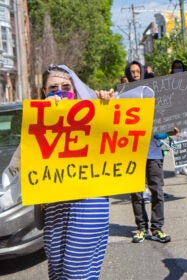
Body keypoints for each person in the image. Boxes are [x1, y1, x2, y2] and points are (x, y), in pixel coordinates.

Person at [41, 65, 113, 279]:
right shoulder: (36, 119)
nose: (60, 91)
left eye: (66, 86)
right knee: (57, 270)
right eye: (53, 88)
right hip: (55, 210)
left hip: (88, 206)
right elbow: (20, 162)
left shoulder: (95, 114)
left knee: (76, 272)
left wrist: (105, 105)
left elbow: (126, 135)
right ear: (44, 93)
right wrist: (45, 117)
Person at [125, 60, 173, 243]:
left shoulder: (154, 95)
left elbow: (162, 127)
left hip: (153, 153)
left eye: (138, 71)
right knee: (136, 193)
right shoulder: (124, 97)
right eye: (133, 72)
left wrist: (169, 130)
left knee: (157, 192)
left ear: (143, 73)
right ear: (128, 74)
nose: (136, 74)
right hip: (133, 154)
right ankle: (141, 228)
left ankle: (157, 228)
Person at [170, 60, 187, 175]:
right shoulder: (168, 82)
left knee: (186, 140)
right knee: (176, 141)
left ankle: (185, 166)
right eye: (175, 67)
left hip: (186, 115)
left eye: (180, 67)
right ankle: (178, 166)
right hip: (174, 116)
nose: (178, 69)